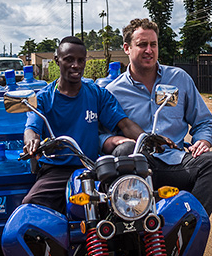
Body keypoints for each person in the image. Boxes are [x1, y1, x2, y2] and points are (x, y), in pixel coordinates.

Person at [104, 18, 212, 216]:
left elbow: (204, 121)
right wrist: (115, 140)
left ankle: (187, 224)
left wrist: (203, 141)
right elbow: (100, 133)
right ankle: (132, 228)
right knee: (125, 150)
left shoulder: (179, 78)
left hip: (177, 161)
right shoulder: (112, 91)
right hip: (137, 164)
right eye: (142, 44)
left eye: (153, 44)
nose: (149, 50)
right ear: (127, 48)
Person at [22, 36, 147, 214]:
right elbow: (31, 128)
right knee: (32, 207)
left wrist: (147, 139)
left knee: (125, 207)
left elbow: (124, 124)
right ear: (57, 60)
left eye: (81, 60)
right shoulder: (43, 98)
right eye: (69, 59)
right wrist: (32, 142)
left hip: (90, 168)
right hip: (56, 170)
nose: (76, 65)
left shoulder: (96, 93)